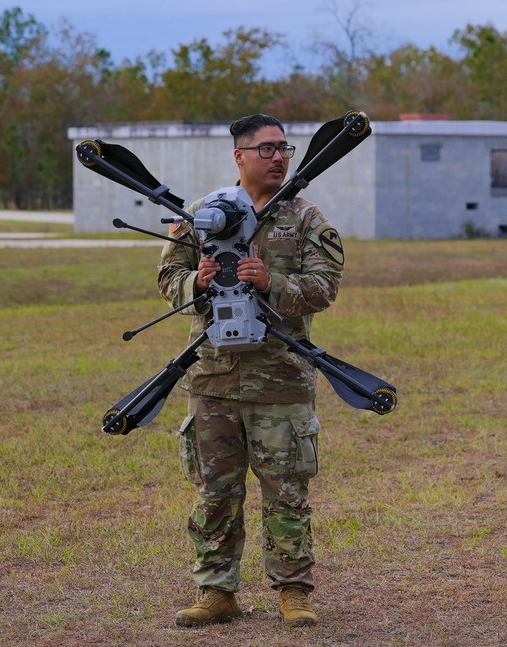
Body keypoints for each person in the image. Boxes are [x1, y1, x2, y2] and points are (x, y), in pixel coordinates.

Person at [157, 113, 344, 629]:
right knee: (215, 491)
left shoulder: (305, 218)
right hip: (212, 379)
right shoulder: (201, 213)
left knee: (286, 492)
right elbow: (167, 276)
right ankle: (215, 592)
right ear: (239, 156)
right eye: (266, 149)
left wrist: (272, 282)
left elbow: (325, 288)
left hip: (280, 380)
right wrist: (199, 279)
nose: (279, 156)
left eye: (284, 147)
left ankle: (293, 593)